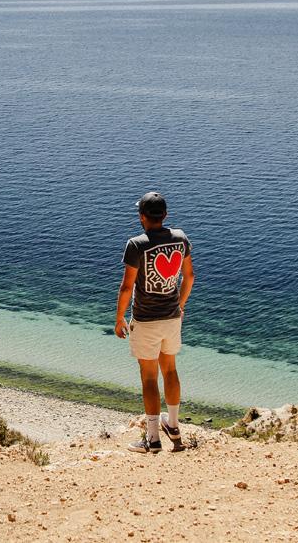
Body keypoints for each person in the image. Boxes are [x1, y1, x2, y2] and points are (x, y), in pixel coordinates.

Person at [115, 191, 195, 453]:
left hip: (146, 320)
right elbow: (189, 277)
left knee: (149, 377)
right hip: (172, 318)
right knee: (170, 371)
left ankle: (152, 439)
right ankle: (173, 425)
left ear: (142, 217)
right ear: (165, 215)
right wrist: (180, 305)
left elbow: (127, 287)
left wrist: (119, 318)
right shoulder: (180, 239)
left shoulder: (136, 244)